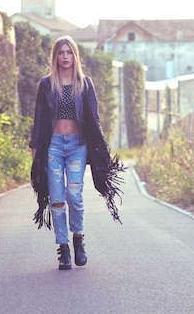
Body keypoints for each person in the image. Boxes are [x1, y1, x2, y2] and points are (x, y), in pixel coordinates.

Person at [29, 36, 125, 270]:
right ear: (55, 56)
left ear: (75, 56)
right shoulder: (46, 84)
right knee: (58, 199)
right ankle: (63, 249)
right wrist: (35, 149)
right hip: (52, 145)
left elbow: (94, 118)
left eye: (69, 52)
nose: (64, 57)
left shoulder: (85, 84)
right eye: (61, 52)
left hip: (77, 146)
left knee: (74, 194)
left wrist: (101, 148)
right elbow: (39, 119)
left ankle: (78, 239)